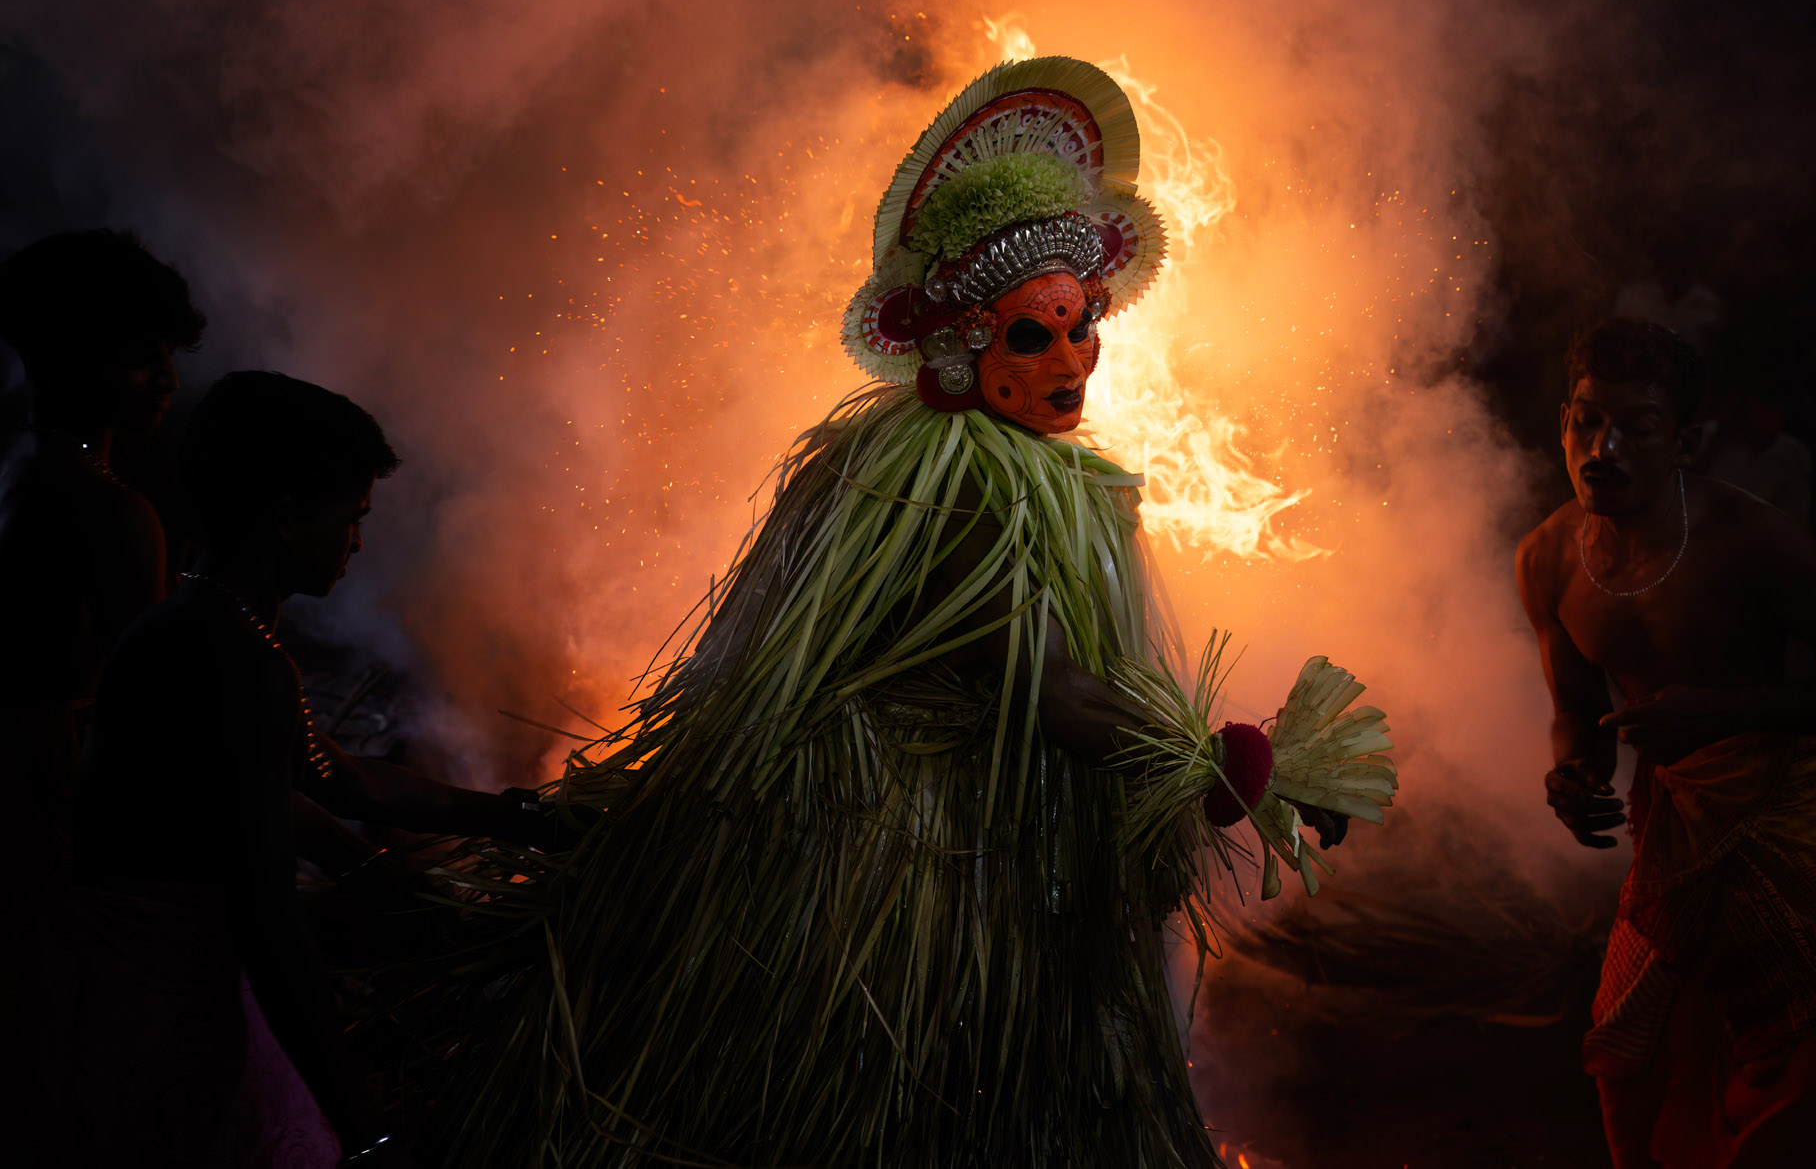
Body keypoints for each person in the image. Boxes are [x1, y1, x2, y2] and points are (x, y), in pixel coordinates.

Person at [379, 56, 1372, 1168]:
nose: (1071, 360)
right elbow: (1047, 692)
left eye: (1083, 322)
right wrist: (1232, 764)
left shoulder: (1023, 474)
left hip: (968, 855)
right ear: (954, 346)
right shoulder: (958, 483)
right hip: (903, 865)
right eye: (1030, 335)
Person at [45, 371, 580, 1168]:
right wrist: (369, 1130)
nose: (359, 542)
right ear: (288, 517)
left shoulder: (206, 624)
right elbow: (269, 914)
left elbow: (341, 779)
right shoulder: (229, 656)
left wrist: (524, 818)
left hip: (138, 971)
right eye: (353, 517)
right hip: (146, 992)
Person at [1515, 318, 1816, 1167]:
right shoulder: (1548, 556)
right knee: (1635, 1054)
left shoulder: (1749, 537)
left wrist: (1729, 712)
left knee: (1798, 1084)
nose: (1603, 447)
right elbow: (1576, 708)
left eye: (1637, 427)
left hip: (1808, 824)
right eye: (1586, 420)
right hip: (1685, 828)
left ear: (1685, 440)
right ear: (1561, 422)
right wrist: (1573, 770)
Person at [0, 229, 203, 875]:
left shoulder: (22, 467)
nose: (169, 378)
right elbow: (162, 714)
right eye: (145, 357)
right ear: (72, 357)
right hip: (49, 828)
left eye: (169, 352)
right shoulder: (109, 509)